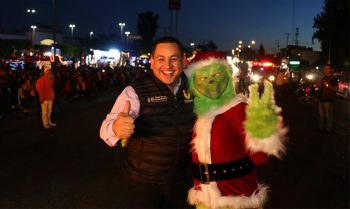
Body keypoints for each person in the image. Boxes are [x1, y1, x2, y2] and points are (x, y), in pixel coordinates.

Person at [99, 36, 195, 208]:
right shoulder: (135, 91)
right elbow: (105, 129)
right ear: (151, 62)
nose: (167, 66)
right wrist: (116, 127)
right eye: (161, 59)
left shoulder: (195, 87)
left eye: (174, 59)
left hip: (181, 180)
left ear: (184, 61)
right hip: (144, 183)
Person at [184, 51, 287, 209]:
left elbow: (260, 157)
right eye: (203, 77)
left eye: (217, 74)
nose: (211, 81)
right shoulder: (202, 113)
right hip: (204, 199)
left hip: (235, 199)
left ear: (227, 75)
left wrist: (263, 132)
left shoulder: (238, 109)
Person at [317, 64, 338, 133]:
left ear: (331, 70)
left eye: (327, 69)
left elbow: (336, 89)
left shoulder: (333, 79)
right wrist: (319, 85)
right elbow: (320, 86)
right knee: (321, 115)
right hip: (321, 99)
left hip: (329, 100)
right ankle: (321, 128)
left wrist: (328, 85)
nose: (325, 70)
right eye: (324, 69)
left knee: (329, 116)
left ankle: (328, 130)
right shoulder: (323, 78)